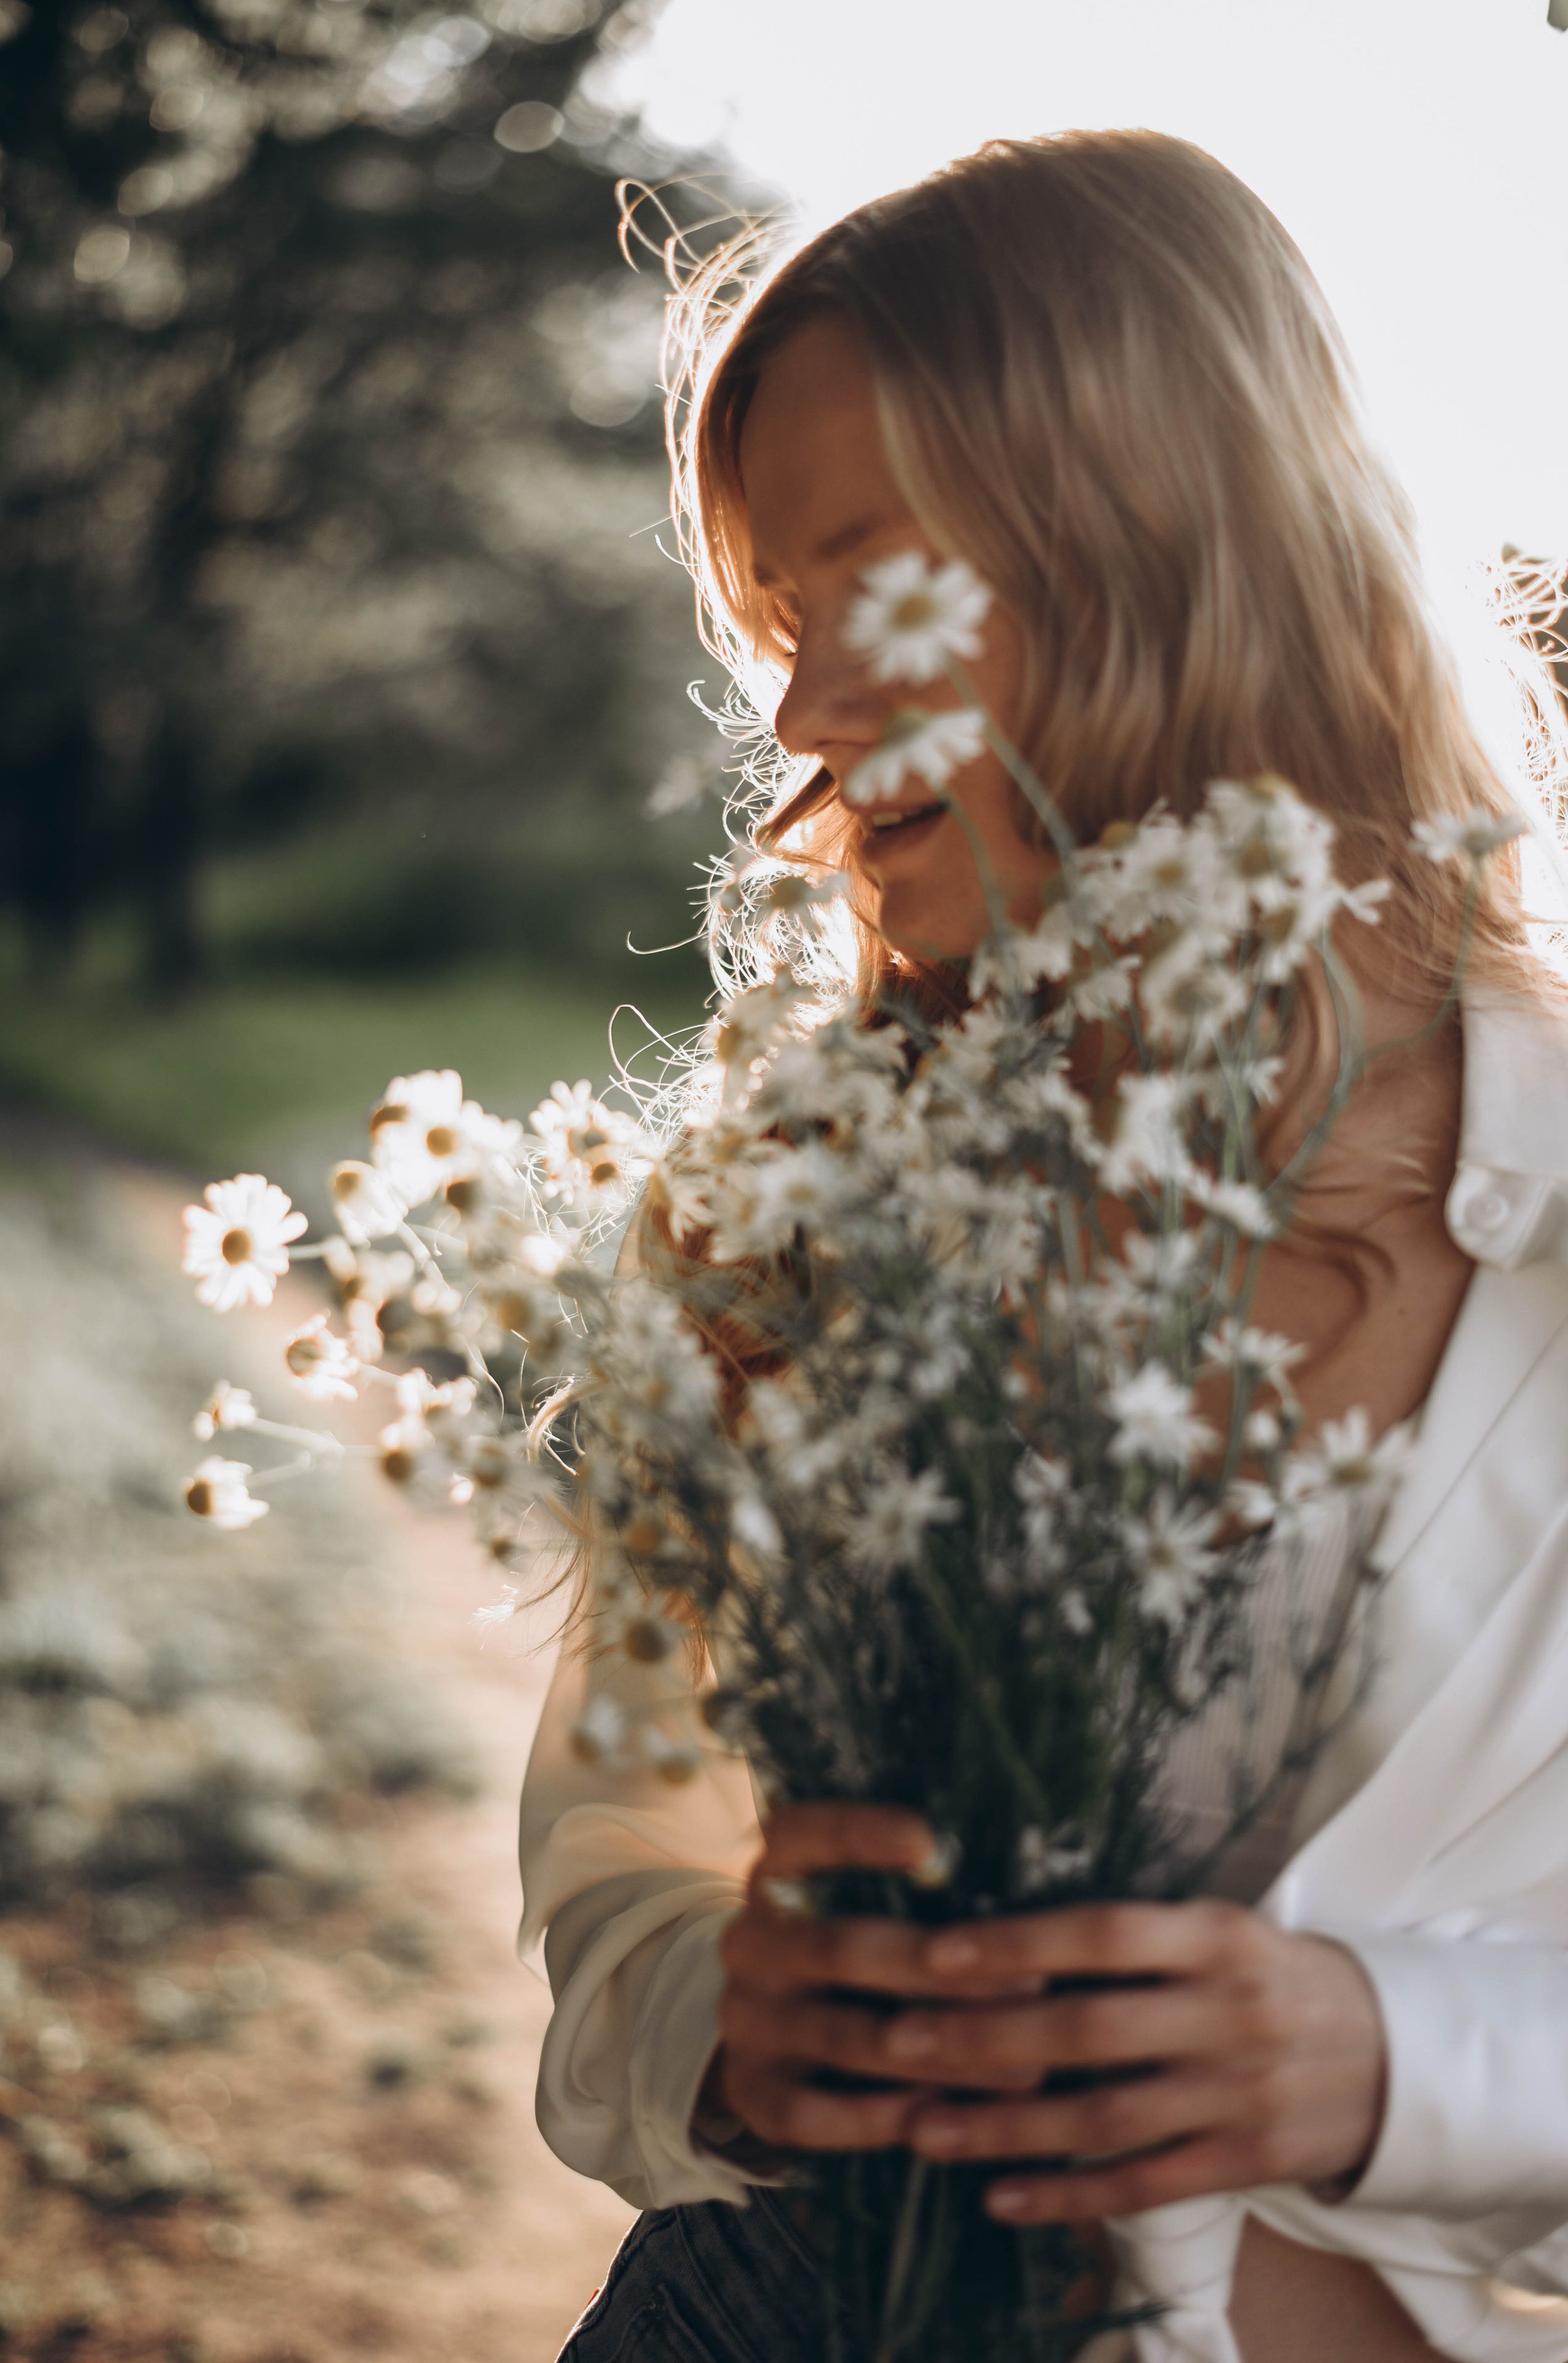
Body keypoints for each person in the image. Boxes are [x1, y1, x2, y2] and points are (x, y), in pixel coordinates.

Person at [519, 132, 1568, 2362]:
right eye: (780, 632)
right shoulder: (784, 1218)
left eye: (866, 593)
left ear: (1176, 559)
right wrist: (737, 2017)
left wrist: (1390, 2055)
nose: (796, 725)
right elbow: (619, 1870)